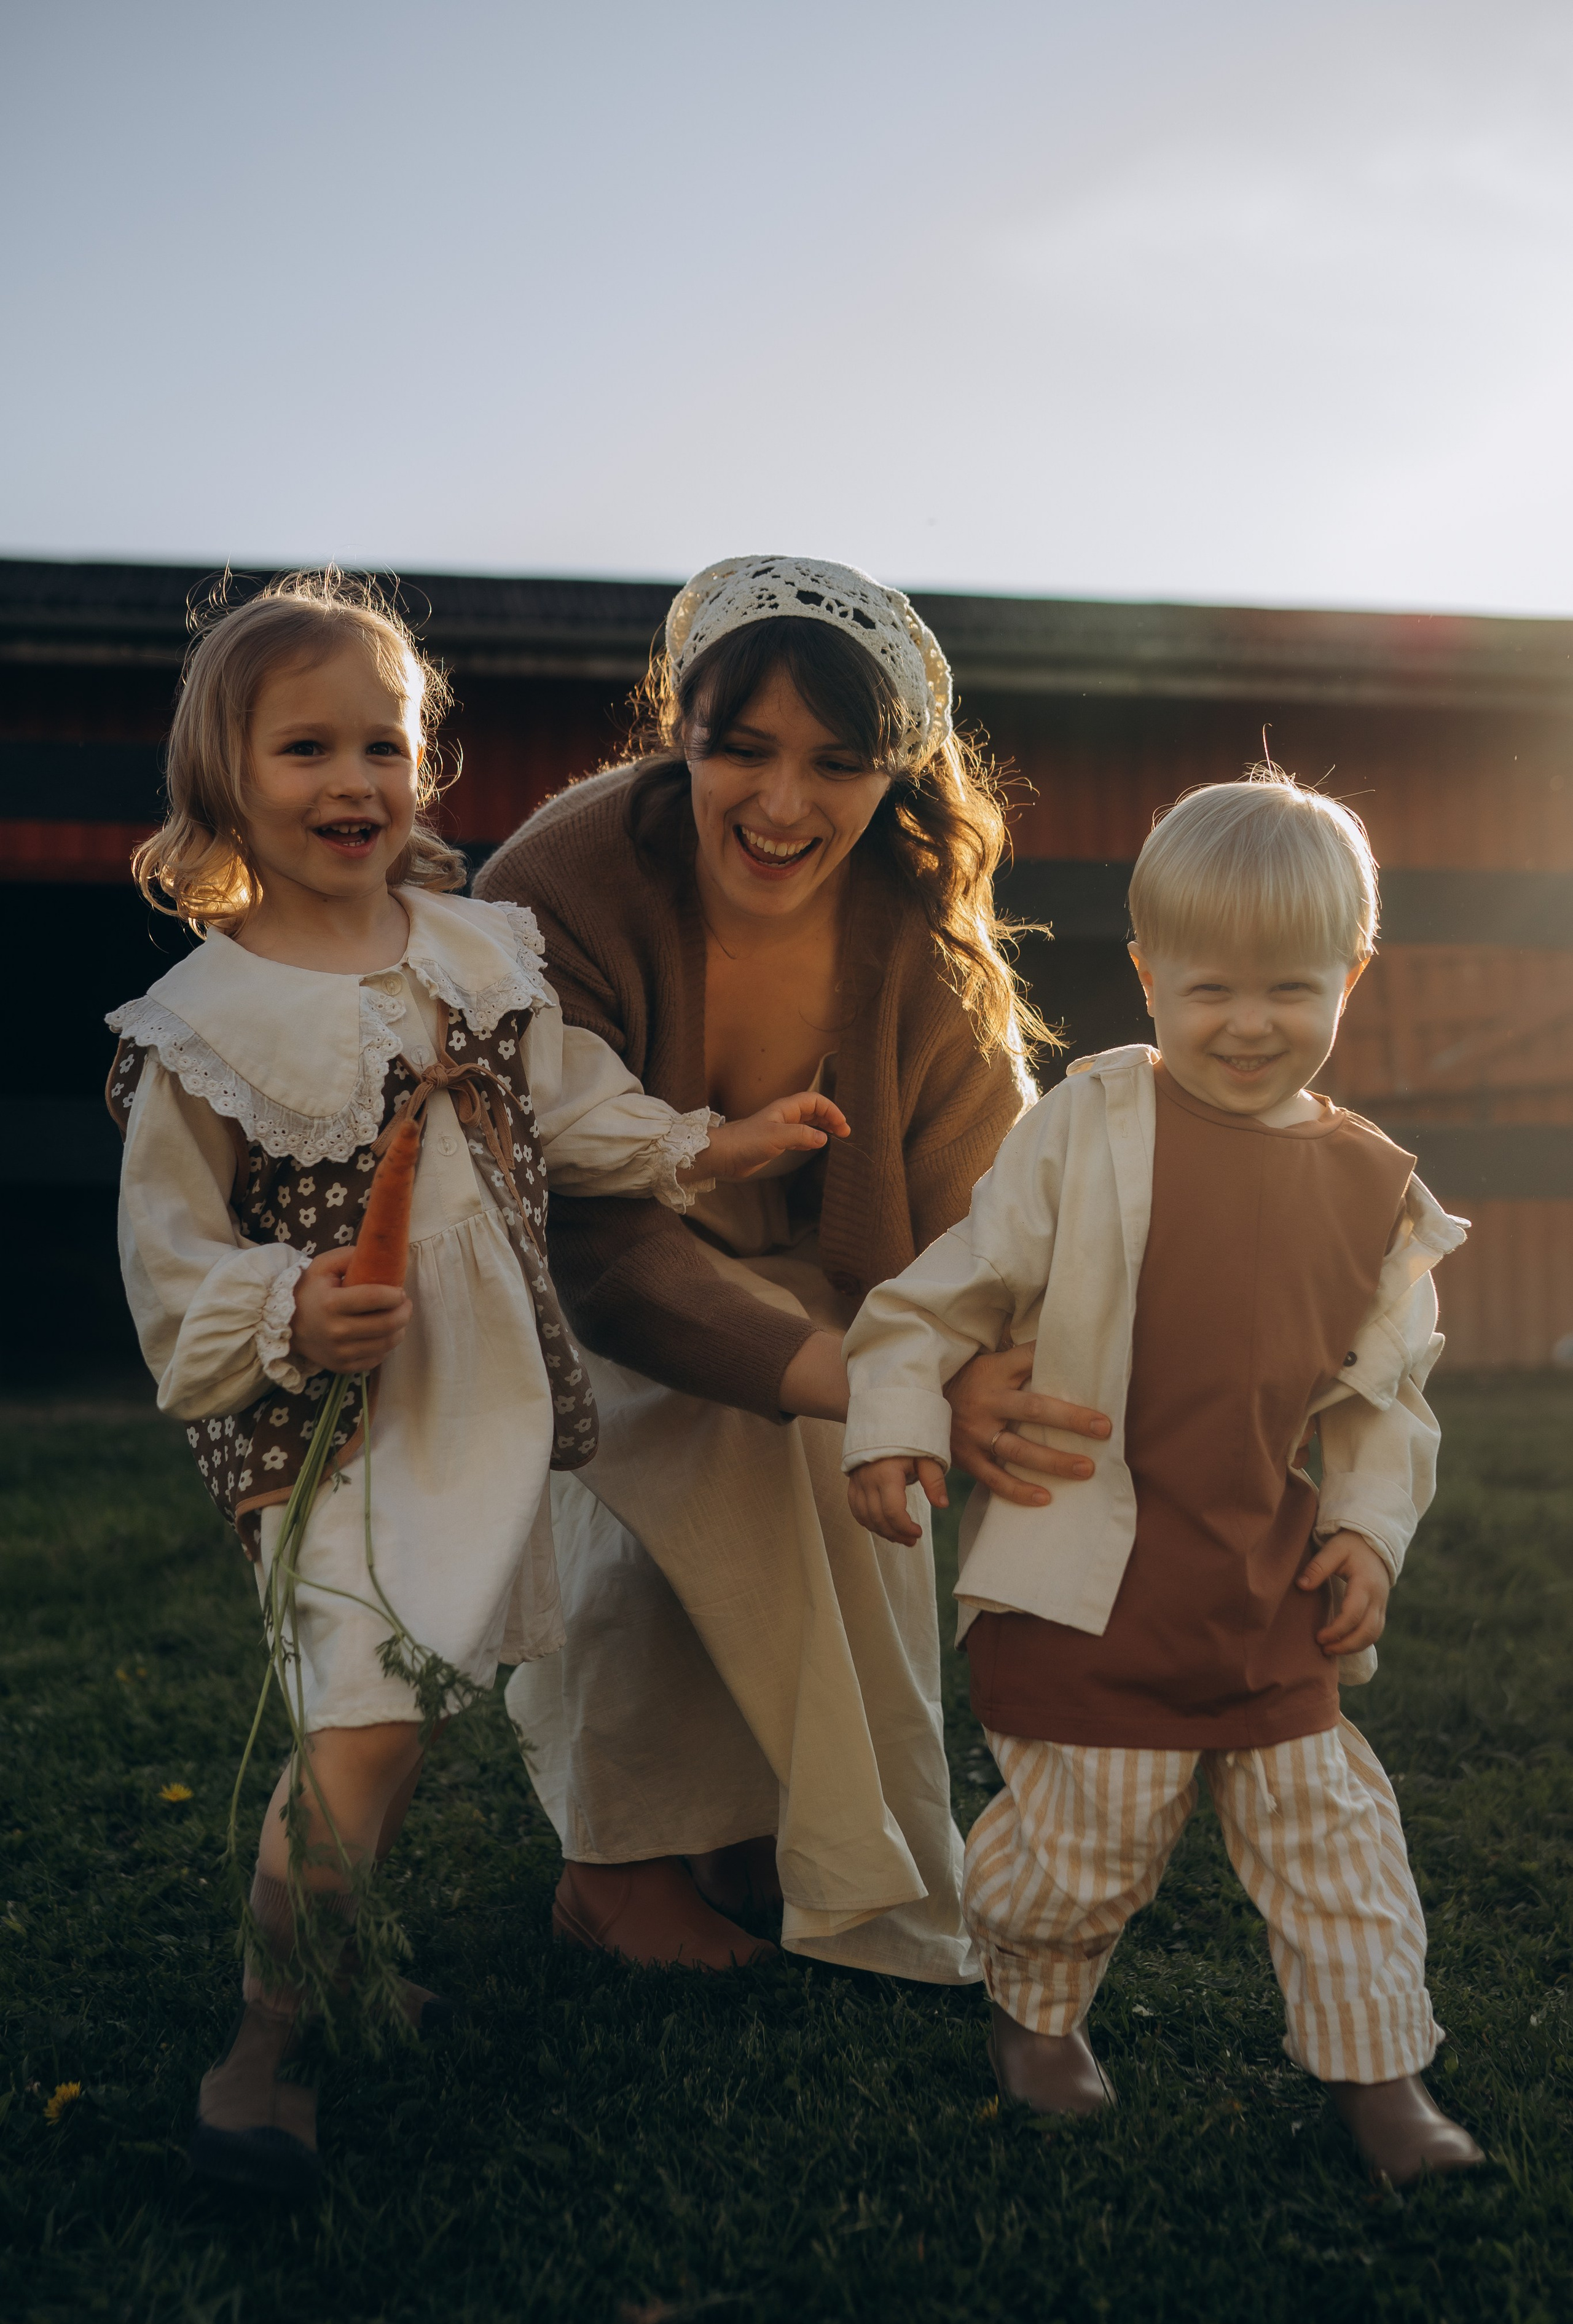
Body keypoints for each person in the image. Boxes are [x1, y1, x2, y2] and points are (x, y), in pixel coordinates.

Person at [106, 572, 850, 2197]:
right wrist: (288, 1305)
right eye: (306, 748)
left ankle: (351, 1970)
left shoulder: (472, 955)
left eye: (386, 742)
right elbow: (167, 1256)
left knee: (407, 1724)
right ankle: (264, 2048)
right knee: (360, 1733)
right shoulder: (205, 1027)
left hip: (481, 1408)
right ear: (226, 778)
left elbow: (573, 1104)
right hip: (329, 1430)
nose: (353, 781)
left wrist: (700, 1145)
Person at [842, 769, 1487, 2184]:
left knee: (1337, 1846)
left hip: (1265, 1588)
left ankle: (1383, 2081)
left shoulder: (1375, 1189)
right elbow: (950, 1290)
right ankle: (1033, 2014)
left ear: (1351, 976)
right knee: (1086, 1844)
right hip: (1088, 1582)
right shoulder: (1084, 1127)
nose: (1245, 1024)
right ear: (1143, 973)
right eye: (1206, 990)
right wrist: (899, 1413)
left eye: (1287, 988)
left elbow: (1386, 1407)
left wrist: (1368, 1536)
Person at [476, 555, 1112, 1978]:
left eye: (836, 764)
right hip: (592, 1286)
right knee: (691, 1448)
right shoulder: (556, 887)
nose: (781, 805)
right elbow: (582, 1225)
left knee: (849, 1486)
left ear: (893, 772)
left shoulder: (918, 941)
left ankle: (775, 1824)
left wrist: (956, 1364)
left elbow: (978, 1209)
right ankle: (615, 1862)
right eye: (741, 750)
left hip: (837, 1292)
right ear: (676, 733)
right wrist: (856, 1381)